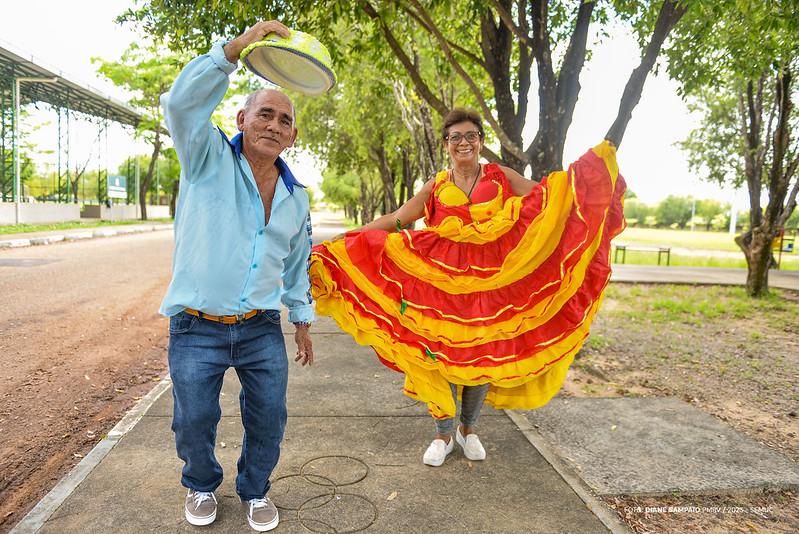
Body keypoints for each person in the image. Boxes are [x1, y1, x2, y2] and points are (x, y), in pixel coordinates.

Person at [311, 108, 625, 467]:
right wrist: (348, 237)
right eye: (456, 137)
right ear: (446, 144)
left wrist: (585, 184)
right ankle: (443, 433)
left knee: (484, 355)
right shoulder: (437, 186)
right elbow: (398, 219)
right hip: (441, 288)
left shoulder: (502, 176)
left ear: (480, 142)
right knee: (439, 358)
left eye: (470, 136)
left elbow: (548, 202)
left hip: (493, 286)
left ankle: (468, 429)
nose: (463, 142)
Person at [159, 20, 314, 532]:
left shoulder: (297, 197)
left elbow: (295, 261)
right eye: (264, 113)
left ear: (292, 135)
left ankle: (255, 491)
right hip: (195, 327)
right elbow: (181, 104)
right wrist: (237, 48)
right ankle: (201, 485)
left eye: (284, 120)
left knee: (269, 416)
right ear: (243, 118)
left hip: (260, 328)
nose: (273, 124)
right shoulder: (204, 157)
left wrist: (302, 319)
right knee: (194, 419)